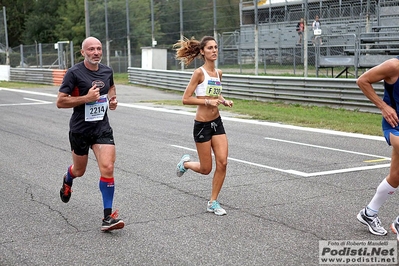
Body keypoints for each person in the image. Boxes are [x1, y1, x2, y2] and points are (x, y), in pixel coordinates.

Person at [56, 36, 124, 232]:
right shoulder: (74, 73)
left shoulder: (107, 70)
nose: (96, 52)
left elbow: (110, 86)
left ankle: (107, 217)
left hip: (101, 128)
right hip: (80, 130)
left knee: (108, 167)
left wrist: (112, 99)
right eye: (91, 49)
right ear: (83, 52)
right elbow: (60, 102)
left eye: (99, 49)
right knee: (80, 171)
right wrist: (86, 98)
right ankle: (68, 178)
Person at [173, 36, 233, 216]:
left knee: (222, 162)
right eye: (210, 48)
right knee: (206, 169)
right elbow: (186, 99)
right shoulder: (199, 73)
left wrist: (223, 100)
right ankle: (186, 163)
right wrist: (207, 102)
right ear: (202, 51)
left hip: (217, 123)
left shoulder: (219, 73)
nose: (214, 50)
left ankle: (213, 202)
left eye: (216, 47)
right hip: (202, 125)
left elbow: (215, 92)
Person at [356, 57, 399, 240]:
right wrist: (383, 107)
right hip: (395, 125)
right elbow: (362, 80)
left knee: (396, 177)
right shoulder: (393, 66)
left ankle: (369, 212)